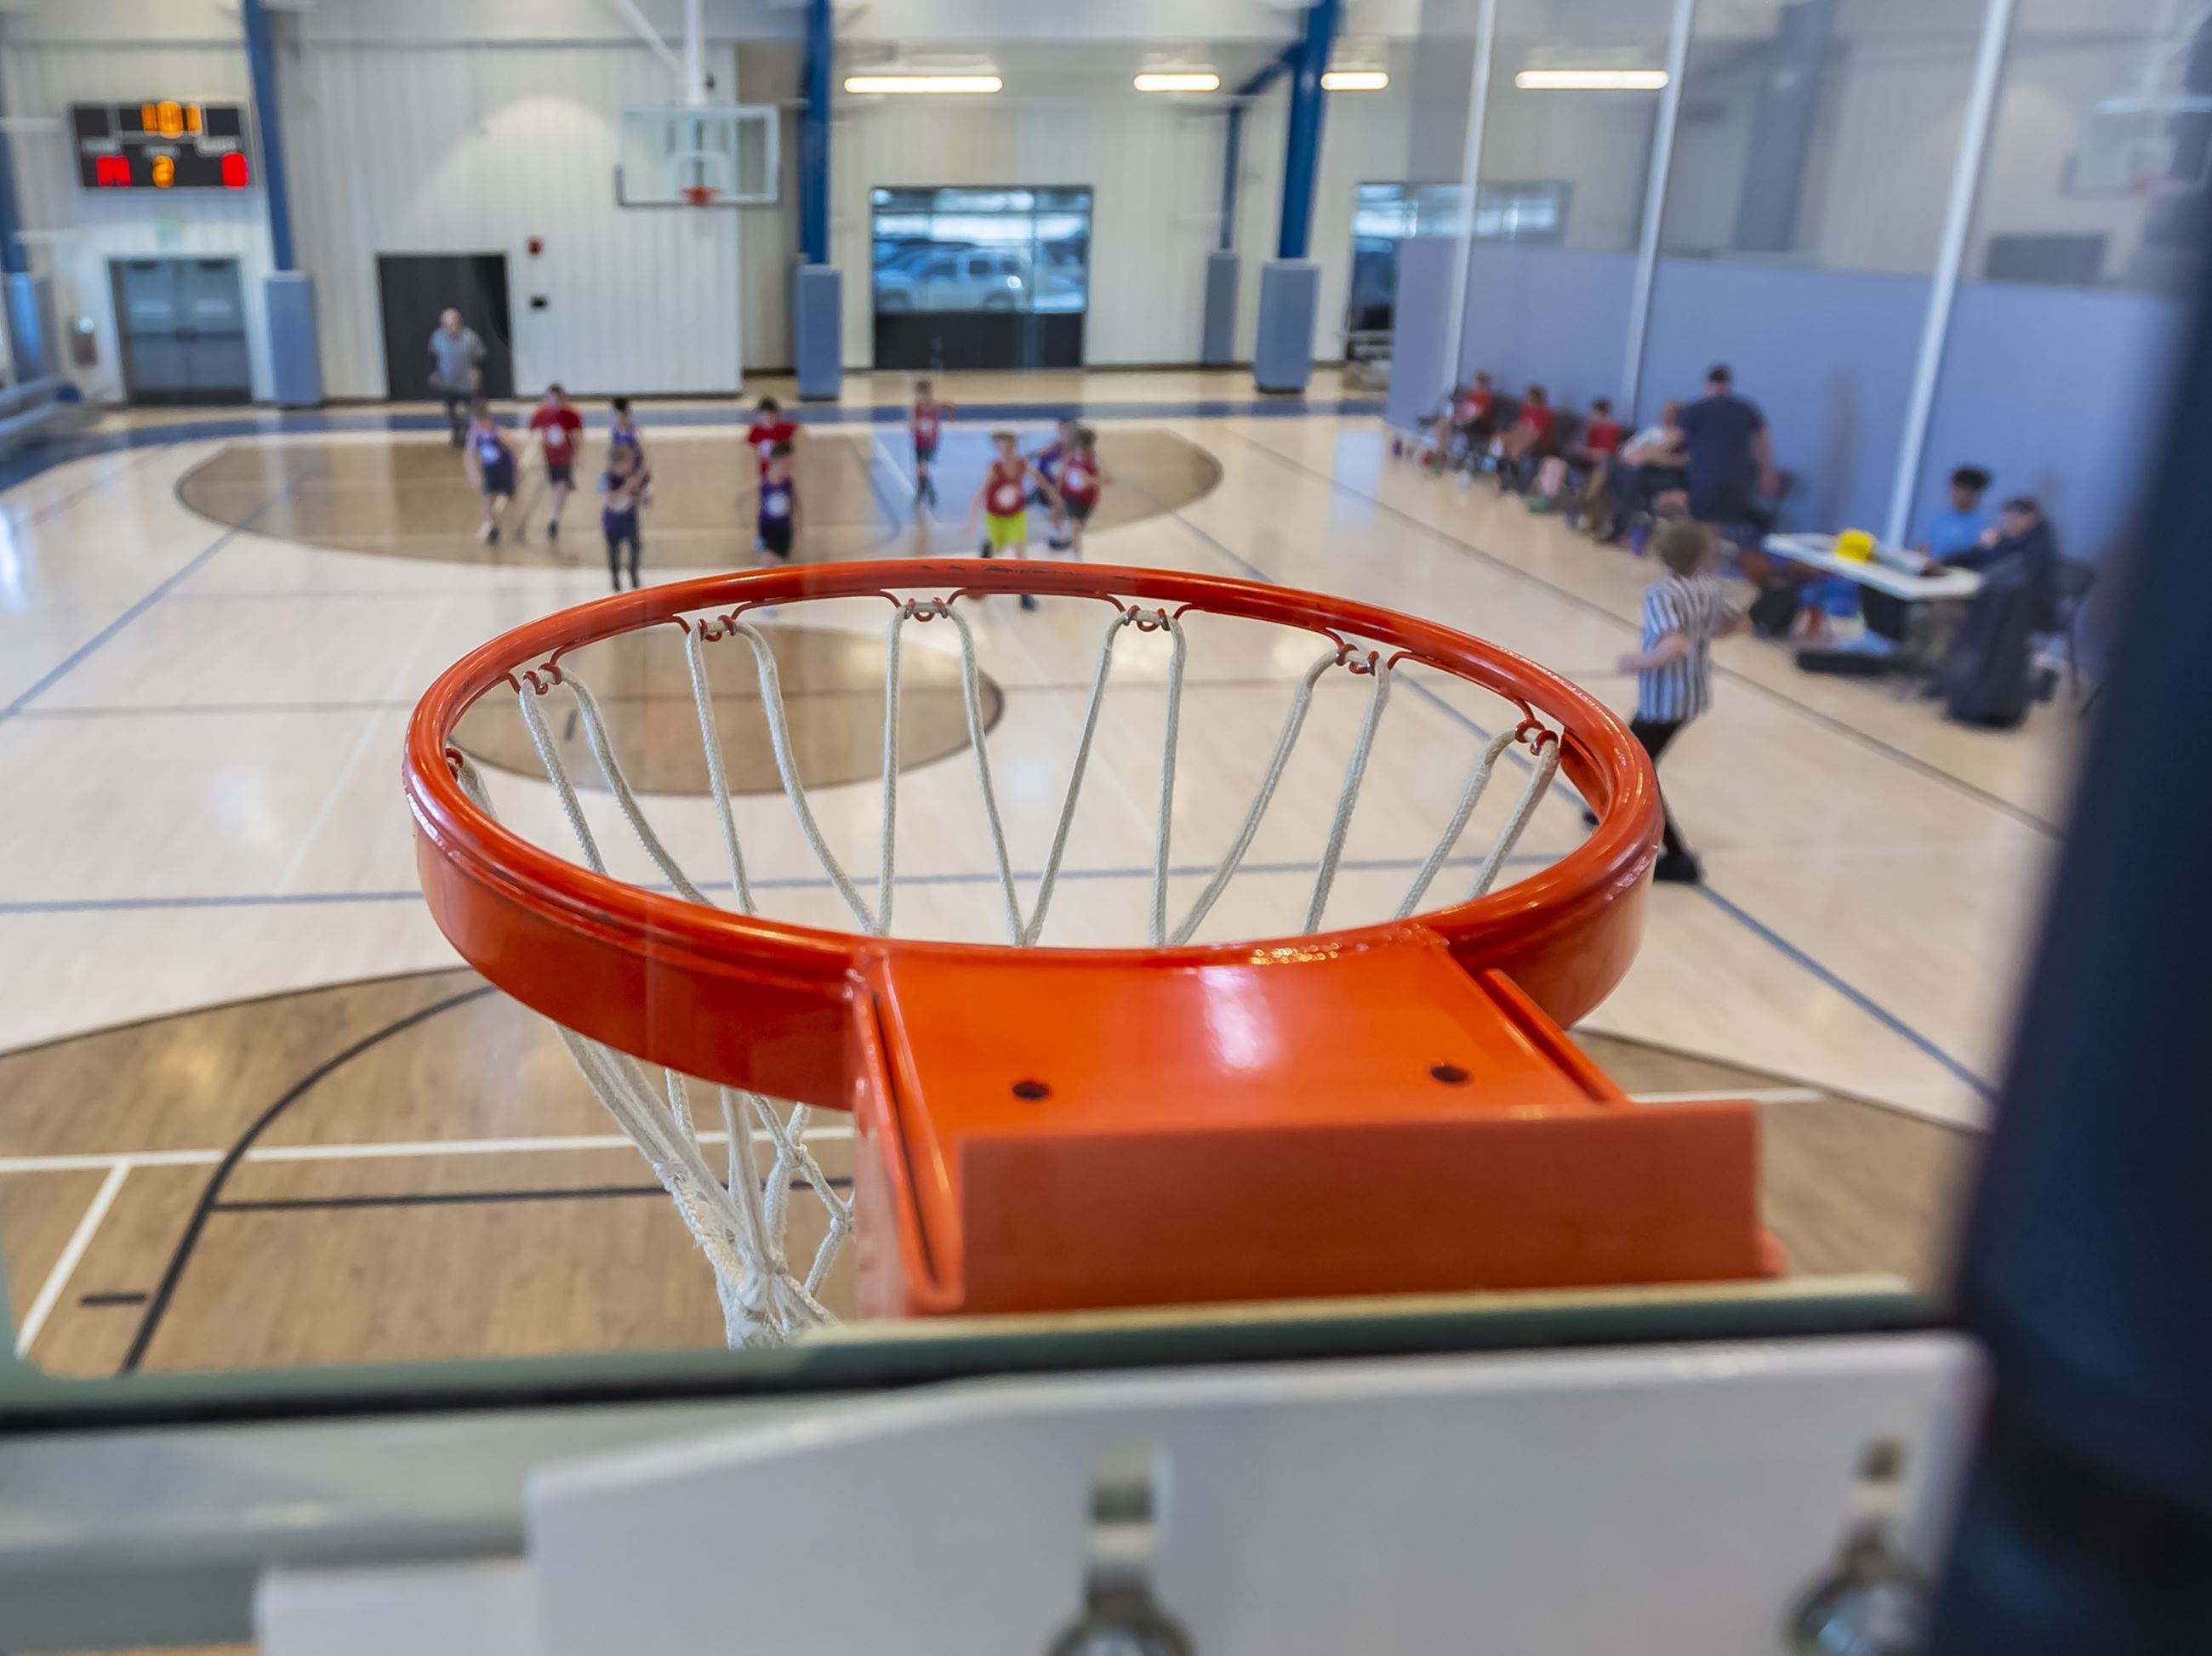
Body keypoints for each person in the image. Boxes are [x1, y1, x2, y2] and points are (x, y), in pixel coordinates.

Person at [1611, 520, 1748, 885]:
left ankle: (1677, 856)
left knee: (1640, 771)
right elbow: (1734, 625)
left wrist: (1638, 661)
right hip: (1693, 692)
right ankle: (1613, 810)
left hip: (1666, 698)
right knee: (1628, 754)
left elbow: (1674, 645)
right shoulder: (1706, 587)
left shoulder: (1662, 594)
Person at [1936, 495, 2061, 728]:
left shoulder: (2039, 545)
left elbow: (2015, 574)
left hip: (2021, 615)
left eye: (2014, 519)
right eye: (2006, 518)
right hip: (1997, 608)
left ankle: (1966, 695)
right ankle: (1946, 682)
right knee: (1949, 614)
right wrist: (1944, 561)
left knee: (1958, 622)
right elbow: (1980, 557)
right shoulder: (2011, 539)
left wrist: (1994, 549)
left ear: (2030, 519)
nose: (2008, 523)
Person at [1676, 364, 1777, 527]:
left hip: (1705, 478)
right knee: (1732, 517)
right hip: (1739, 480)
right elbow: (1764, 440)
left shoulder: (1696, 409)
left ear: (1708, 384)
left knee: (1703, 520)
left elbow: (1674, 440)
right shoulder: (1746, 408)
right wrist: (1767, 472)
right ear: (1729, 384)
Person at [968, 430, 1060, 609]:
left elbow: (1038, 478)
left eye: (1010, 448)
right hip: (996, 517)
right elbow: (981, 492)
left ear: (1014, 448)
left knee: (1021, 555)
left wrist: (1052, 493)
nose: (1007, 452)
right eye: (1003, 449)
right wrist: (971, 518)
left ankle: (1024, 595)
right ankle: (987, 550)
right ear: (998, 450)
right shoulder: (994, 469)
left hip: (1016, 516)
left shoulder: (1021, 464)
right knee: (998, 550)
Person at [525, 384, 584, 541]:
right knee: (556, 486)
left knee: (561, 485)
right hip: (549, 458)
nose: (555, 403)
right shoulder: (540, 414)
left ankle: (554, 519)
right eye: (552, 399)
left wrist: (578, 455)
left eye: (558, 400)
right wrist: (531, 457)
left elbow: (577, 435)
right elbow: (533, 435)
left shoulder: (571, 415)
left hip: (565, 458)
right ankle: (556, 511)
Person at [428, 310, 486, 447]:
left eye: (454, 323)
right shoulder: (437, 337)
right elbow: (432, 355)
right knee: (450, 409)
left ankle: (473, 434)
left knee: (472, 410)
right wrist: (434, 372)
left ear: (459, 323)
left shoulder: (470, 337)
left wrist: (476, 370)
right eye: (447, 325)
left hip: (466, 381)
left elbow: (480, 356)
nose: (451, 327)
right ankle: (457, 430)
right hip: (447, 380)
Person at [462, 399, 516, 545]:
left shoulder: (497, 432)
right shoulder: (474, 434)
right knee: (487, 498)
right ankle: (493, 528)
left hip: (504, 468)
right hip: (489, 469)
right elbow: (469, 455)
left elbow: (513, 448)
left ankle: (512, 525)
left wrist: (517, 466)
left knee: (509, 497)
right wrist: (472, 473)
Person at [1056, 428, 1110, 560]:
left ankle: (1071, 542)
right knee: (1075, 525)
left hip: (1088, 499)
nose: (1080, 450)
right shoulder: (1070, 458)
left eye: (1083, 447)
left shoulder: (1095, 460)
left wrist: (1089, 479)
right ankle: (1077, 558)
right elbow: (1061, 477)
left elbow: (1107, 480)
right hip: (1072, 497)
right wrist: (1058, 496)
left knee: (1079, 528)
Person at [600, 441, 647, 591]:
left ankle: (633, 573)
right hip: (613, 519)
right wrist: (626, 487)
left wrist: (639, 495)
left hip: (629, 517)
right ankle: (615, 578)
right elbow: (610, 500)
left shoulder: (634, 478)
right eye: (629, 462)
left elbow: (645, 499)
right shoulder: (607, 478)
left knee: (635, 545)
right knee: (614, 549)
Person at [1494, 384, 1557, 492]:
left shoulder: (1545, 413)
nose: (1526, 399)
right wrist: (1510, 435)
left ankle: (1511, 479)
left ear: (1537, 399)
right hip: (1523, 437)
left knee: (1517, 448)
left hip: (1540, 444)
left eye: (1529, 397)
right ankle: (1499, 475)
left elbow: (1537, 436)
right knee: (1501, 438)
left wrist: (1518, 441)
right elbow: (1519, 425)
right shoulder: (1526, 407)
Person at [1029, 418, 1080, 549]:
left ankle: (1061, 533)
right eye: (1062, 431)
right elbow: (1039, 477)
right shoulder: (1049, 452)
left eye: (1069, 432)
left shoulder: (1078, 454)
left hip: (1067, 494)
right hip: (1049, 493)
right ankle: (1057, 531)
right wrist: (1051, 493)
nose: (1065, 435)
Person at [909, 378, 955, 511]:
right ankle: (922, 491)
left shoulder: (934, 406)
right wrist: (915, 426)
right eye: (920, 395)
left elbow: (950, 406)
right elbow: (911, 425)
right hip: (919, 442)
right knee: (920, 469)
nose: (923, 398)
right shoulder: (916, 409)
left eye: (925, 394)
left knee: (923, 467)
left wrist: (952, 417)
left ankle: (928, 492)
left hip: (930, 442)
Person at [757, 441, 798, 562]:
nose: (789, 469)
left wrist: (799, 522)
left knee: (782, 561)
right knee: (768, 559)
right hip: (768, 528)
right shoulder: (764, 482)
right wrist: (743, 522)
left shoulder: (789, 483)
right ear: (776, 462)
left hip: (784, 528)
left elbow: (796, 502)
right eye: (787, 465)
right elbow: (740, 497)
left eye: (791, 465)